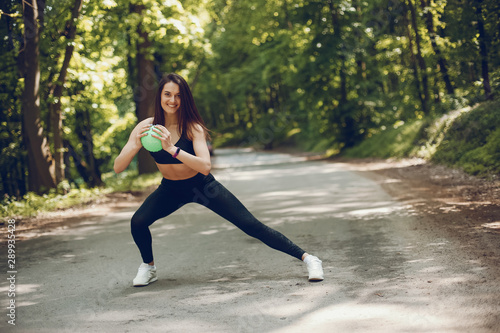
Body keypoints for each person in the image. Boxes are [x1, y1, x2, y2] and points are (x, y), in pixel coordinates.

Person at [114, 73, 324, 286]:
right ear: (159, 96)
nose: (172, 101)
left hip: (202, 186)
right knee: (138, 222)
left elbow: (205, 167)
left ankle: (309, 259)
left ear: (184, 99)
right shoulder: (146, 128)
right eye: (167, 94)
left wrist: (171, 149)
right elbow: (118, 167)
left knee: (250, 225)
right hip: (170, 189)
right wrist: (134, 145)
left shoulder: (192, 127)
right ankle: (148, 268)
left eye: (178, 96)